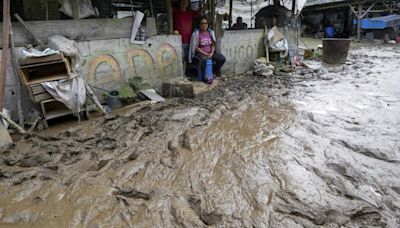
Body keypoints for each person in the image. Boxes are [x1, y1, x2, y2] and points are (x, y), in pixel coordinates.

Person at [189, 17, 226, 84]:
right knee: (203, 60)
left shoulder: (210, 33)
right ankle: (204, 78)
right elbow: (196, 48)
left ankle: (212, 72)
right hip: (200, 54)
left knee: (222, 59)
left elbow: (212, 45)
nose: (204, 25)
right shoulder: (197, 34)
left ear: (208, 24)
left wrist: (211, 53)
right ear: (199, 25)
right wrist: (205, 54)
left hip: (209, 53)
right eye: (202, 24)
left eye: (205, 23)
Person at [173, 0, 207, 71]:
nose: (184, 4)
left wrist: (207, 5)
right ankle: (182, 75)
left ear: (188, 4)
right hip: (178, 41)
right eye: (182, 2)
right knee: (180, 59)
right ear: (179, 3)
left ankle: (185, 74)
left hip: (189, 41)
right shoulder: (175, 11)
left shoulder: (190, 13)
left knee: (186, 58)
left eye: (185, 2)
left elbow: (199, 12)